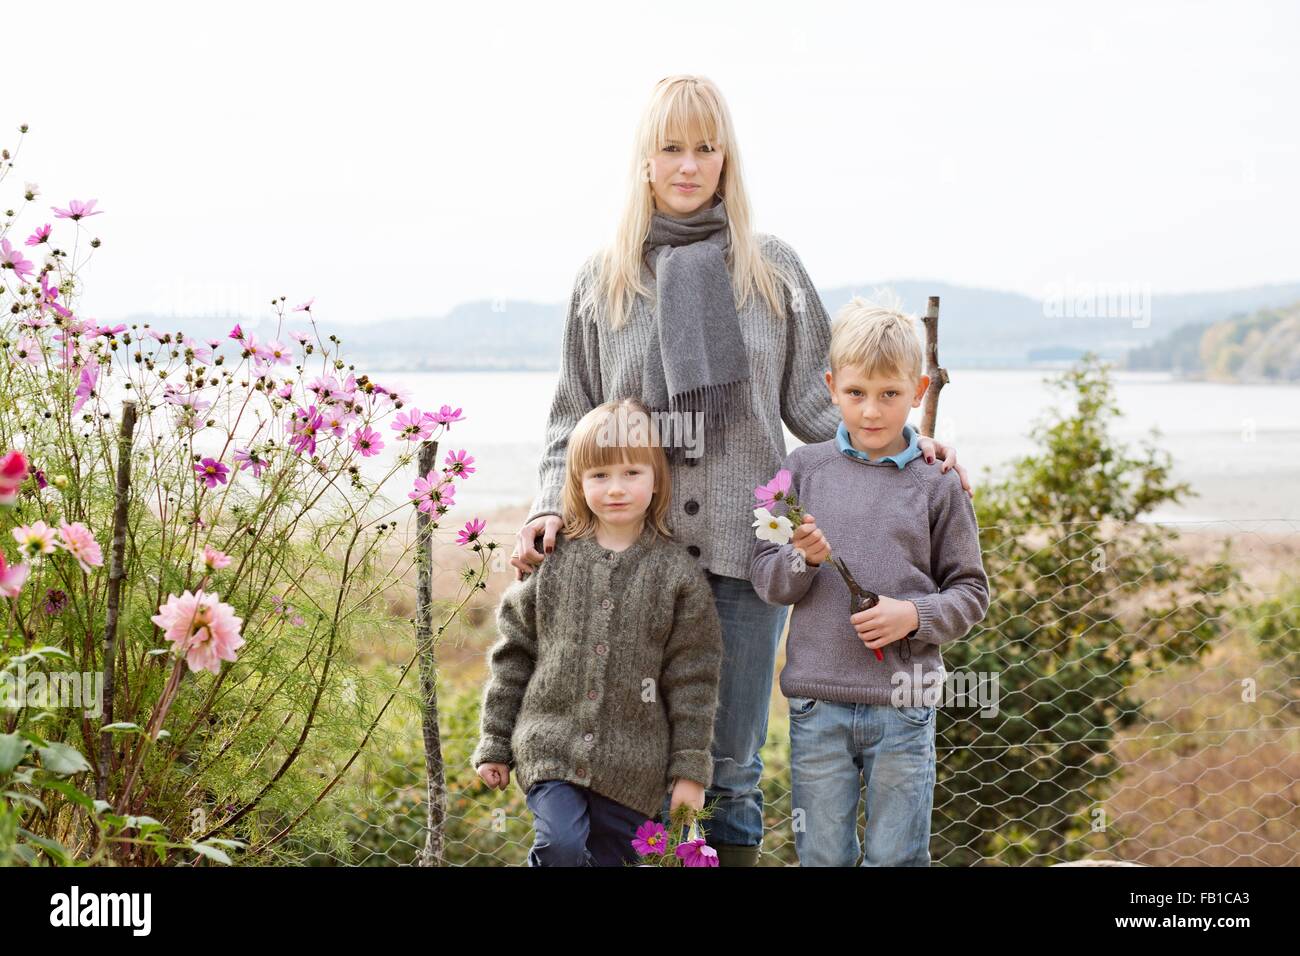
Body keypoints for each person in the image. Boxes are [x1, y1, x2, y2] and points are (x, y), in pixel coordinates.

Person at [511, 74, 970, 866]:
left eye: (705, 148)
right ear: (644, 160)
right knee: (629, 767)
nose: (688, 166)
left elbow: (822, 407)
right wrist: (546, 508)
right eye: (671, 148)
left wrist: (906, 444)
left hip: (749, 560)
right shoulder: (605, 280)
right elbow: (571, 414)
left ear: (727, 158)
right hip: (631, 562)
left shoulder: (773, 271)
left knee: (732, 771)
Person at [749, 296, 990, 866]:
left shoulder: (937, 484)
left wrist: (914, 616)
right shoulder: (801, 471)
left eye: (890, 394)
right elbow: (767, 579)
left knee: (898, 858)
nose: (872, 411)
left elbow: (971, 591)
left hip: (904, 706)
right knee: (823, 858)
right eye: (856, 393)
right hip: (817, 707)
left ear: (920, 391)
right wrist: (802, 561)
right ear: (832, 386)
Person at [473, 397, 724, 866]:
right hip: (550, 749)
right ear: (577, 482)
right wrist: (495, 740)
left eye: (632, 473)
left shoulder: (677, 575)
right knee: (560, 846)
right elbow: (514, 654)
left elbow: (694, 680)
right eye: (599, 476)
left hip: (635, 767)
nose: (616, 489)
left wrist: (689, 770)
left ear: (656, 479)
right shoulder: (553, 561)